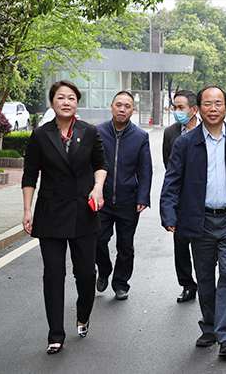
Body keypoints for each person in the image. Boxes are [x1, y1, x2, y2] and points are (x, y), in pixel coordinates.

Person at [160, 85, 226, 357]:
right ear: (198, 109)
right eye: (207, 103)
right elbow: (172, 182)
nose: (213, 108)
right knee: (204, 277)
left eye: (218, 103)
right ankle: (209, 326)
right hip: (199, 220)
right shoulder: (185, 143)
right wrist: (168, 213)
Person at [22, 80, 108, 354]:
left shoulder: (89, 131)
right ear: (52, 102)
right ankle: (55, 334)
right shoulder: (40, 135)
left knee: (85, 274)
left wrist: (97, 187)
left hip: (83, 211)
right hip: (50, 211)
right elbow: (29, 175)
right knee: (53, 274)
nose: (66, 102)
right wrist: (27, 209)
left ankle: (83, 315)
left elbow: (100, 164)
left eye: (71, 98)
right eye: (61, 97)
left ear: (77, 102)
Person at [95, 91, 152, 301]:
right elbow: (90, 164)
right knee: (98, 241)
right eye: (118, 105)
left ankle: (121, 284)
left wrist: (143, 197)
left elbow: (145, 169)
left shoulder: (140, 136)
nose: (122, 109)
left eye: (127, 106)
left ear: (133, 110)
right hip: (102, 200)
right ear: (111, 107)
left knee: (125, 245)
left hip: (128, 200)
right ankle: (104, 269)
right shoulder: (97, 132)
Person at [162, 90, 200, 303]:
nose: (176, 111)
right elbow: (168, 166)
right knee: (181, 244)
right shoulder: (171, 133)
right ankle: (187, 284)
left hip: (204, 198)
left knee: (205, 245)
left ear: (194, 109)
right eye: (174, 107)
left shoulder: (207, 129)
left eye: (181, 107)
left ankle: (205, 281)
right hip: (180, 199)